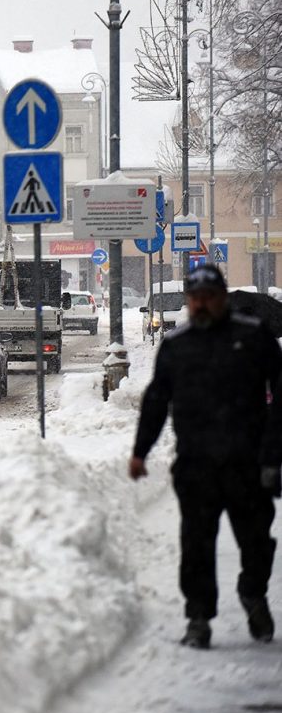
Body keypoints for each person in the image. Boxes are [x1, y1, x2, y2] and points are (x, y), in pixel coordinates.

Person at [129, 264, 282, 648]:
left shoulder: (254, 337)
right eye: (194, 298)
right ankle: (198, 617)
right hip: (196, 464)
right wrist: (140, 451)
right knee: (196, 544)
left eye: (208, 297)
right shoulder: (177, 345)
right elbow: (157, 400)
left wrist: (272, 454)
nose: (201, 304)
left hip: (247, 463)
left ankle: (253, 593)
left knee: (257, 541)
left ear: (222, 299)